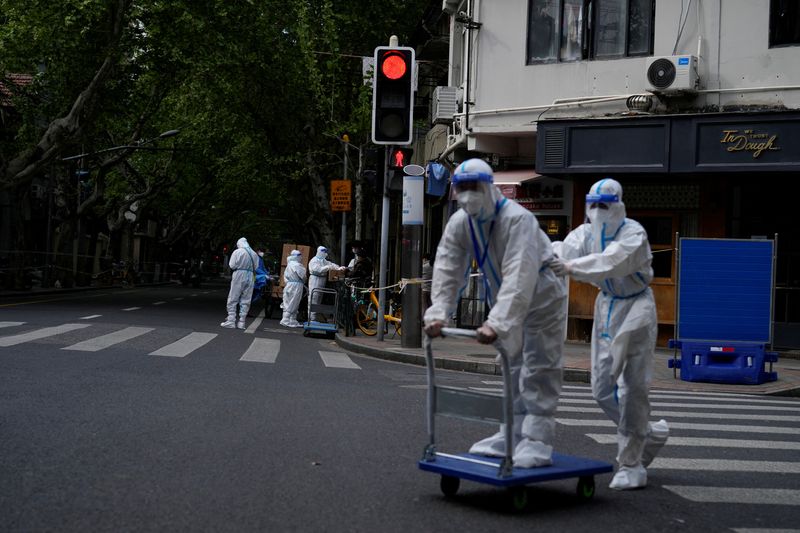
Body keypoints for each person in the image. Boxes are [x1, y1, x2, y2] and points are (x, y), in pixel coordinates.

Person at [423, 158, 567, 468]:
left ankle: (538, 440)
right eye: (461, 188)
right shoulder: (462, 222)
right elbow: (448, 267)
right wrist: (438, 312)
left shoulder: (518, 220)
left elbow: (521, 274)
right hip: (506, 297)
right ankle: (510, 433)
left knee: (539, 365)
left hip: (542, 295)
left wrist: (497, 322)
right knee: (511, 365)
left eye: (473, 187)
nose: (467, 195)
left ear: (489, 187)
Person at [550, 178, 669, 490]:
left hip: (637, 309)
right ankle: (649, 434)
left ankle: (631, 464)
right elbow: (563, 249)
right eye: (594, 204)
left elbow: (611, 262)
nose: (599, 211)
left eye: (605, 205)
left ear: (618, 204)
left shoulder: (634, 233)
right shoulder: (586, 233)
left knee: (633, 387)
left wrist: (569, 267)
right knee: (602, 387)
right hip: (606, 308)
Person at [221, 237, 260, 329]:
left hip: (239, 274)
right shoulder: (254, 254)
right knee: (246, 299)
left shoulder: (237, 252)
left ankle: (231, 320)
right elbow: (257, 267)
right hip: (250, 276)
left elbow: (232, 265)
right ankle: (242, 322)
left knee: (233, 297)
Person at [307, 245, 345, 322]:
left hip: (321, 280)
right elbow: (318, 270)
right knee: (314, 298)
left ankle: (314, 317)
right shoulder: (314, 260)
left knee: (319, 298)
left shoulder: (323, 260)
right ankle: (311, 318)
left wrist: (339, 268)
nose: (325, 254)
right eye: (324, 252)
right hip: (315, 279)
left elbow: (331, 264)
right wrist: (328, 267)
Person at [280, 250, 306, 327]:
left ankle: (292, 320)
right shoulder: (297, 265)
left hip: (289, 285)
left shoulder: (289, 264)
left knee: (288, 301)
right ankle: (286, 319)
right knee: (294, 302)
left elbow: (285, 277)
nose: (301, 257)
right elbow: (303, 277)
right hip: (296, 285)